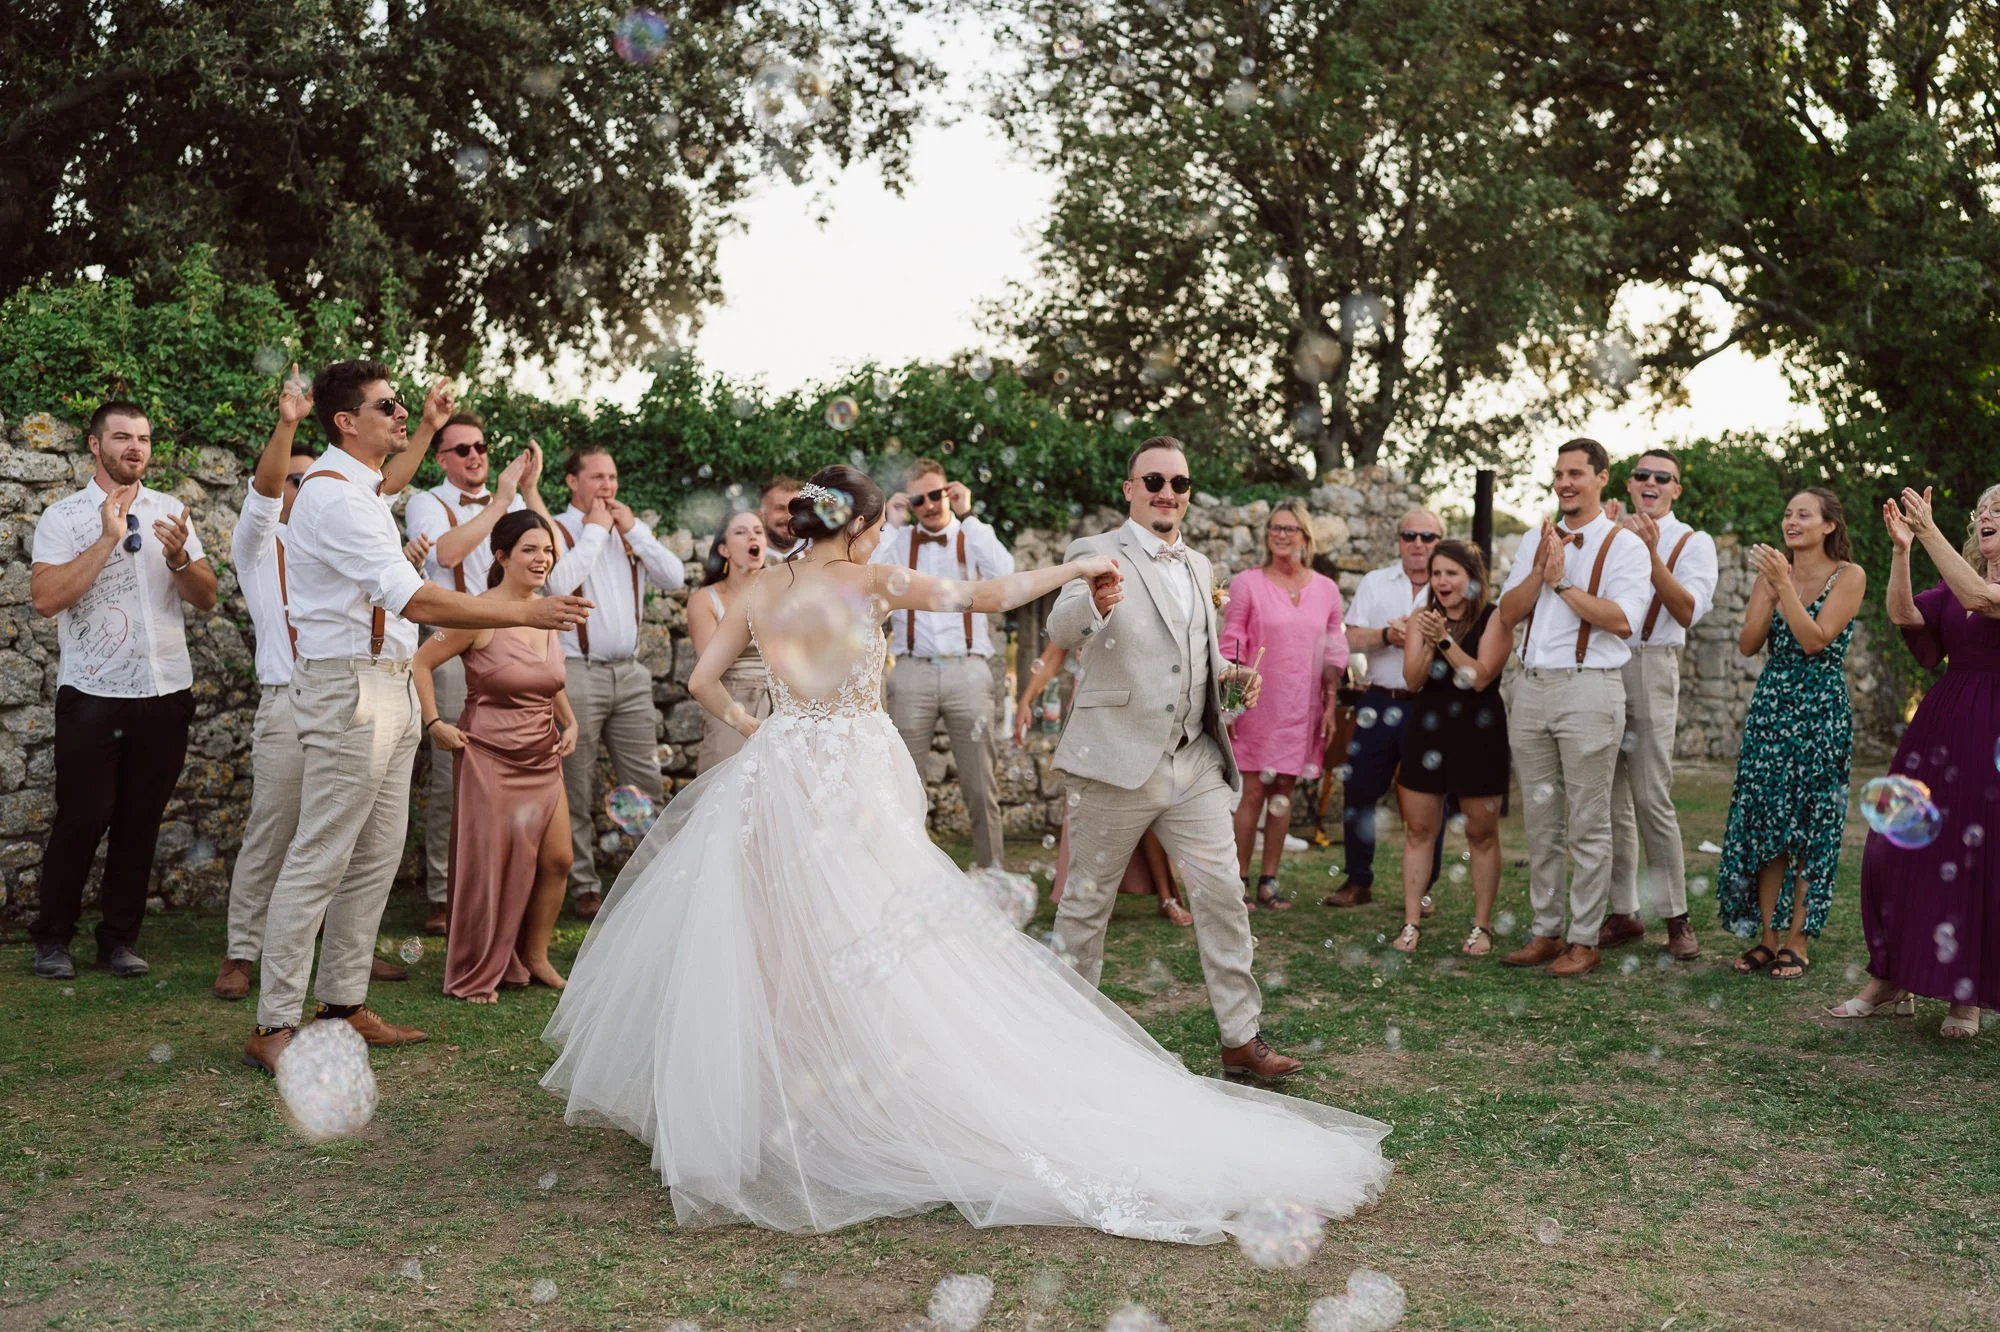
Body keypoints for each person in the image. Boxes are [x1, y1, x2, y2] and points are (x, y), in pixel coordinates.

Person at [541, 464, 1390, 1239]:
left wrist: (759, 727)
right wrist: (1070, 570)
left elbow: (699, 684)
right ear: (863, 523)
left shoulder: (759, 586)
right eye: (877, 522)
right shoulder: (871, 579)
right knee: (880, 933)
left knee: (777, 935)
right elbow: (986, 597)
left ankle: (780, 1098)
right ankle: (872, 1089)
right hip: (854, 773)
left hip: (778, 771)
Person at [242, 360, 592, 1075]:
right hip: (348, 691)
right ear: (346, 422)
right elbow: (417, 601)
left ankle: (342, 1007)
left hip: (390, 686)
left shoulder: (364, 487)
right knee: (319, 858)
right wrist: (520, 610)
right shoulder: (335, 498)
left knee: (373, 860)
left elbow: (393, 480)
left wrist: (431, 426)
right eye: (388, 407)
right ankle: (274, 1022)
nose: (402, 417)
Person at [1047, 437, 1301, 1084]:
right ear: (1129, 488)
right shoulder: (1095, 552)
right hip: (1116, 762)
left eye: (1179, 483)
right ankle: (1059, 1046)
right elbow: (1061, 625)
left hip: (1192, 761)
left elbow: (1197, 651)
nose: (1168, 492)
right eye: (1154, 479)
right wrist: (1095, 603)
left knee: (1224, 896)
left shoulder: (1200, 565)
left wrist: (1232, 673)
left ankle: (1241, 1040)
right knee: (1085, 908)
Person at [214, 367, 426, 999]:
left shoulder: (351, 511)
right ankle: (243, 955)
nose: (307, 486)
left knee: (367, 843)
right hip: (293, 696)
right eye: (295, 480)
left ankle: (343, 984)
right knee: (278, 831)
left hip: (369, 689)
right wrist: (287, 424)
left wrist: (431, 426)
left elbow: (382, 484)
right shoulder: (259, 544)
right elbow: (264, 496)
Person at [27, 401, 219, 980]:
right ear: (95, 445)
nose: (135, 447)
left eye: (143, 438)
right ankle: (52, 938)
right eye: (122, 437)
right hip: (93, 693)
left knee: (140, 821)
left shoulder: (172, 512)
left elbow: (206, 597)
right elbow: (45, 598)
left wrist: (182, 556)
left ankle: (117, 941)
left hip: (164, 692)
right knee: (83, 818)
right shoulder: (64, 518)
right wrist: (108, 539)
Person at [1832, 486, 2000, 1037]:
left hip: (1992, 731)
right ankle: (1890, 976)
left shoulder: (1974, 587)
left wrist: (1928, 530)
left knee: (1975, 854)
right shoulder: (1952, 582)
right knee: (1892, 847)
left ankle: (1965, 995)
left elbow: (1982, 599)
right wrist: (1903, 550)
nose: (1988, 518)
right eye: (1985, 512)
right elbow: (1904, 614)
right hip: (1942, 723)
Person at [1496, 438, 1654, 978]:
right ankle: (1545, 930)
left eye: (1576, 474)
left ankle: (1585, 938)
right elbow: (1507, 613)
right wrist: (1539, 569)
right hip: (1531, 687)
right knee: (1540, 821)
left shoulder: (1624, 546)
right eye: (1559, 473)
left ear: (1601, 478)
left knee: (1588, 821)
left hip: (1589, 689)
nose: (1564, 482)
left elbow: (1622, 619)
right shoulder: (1534, 538)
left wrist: (1561, 581)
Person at [415, 511, 578, 1003]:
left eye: (547, 550)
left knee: (558, 859)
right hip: (489, 754)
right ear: (502, 556)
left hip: (542, 753)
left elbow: (546, 679)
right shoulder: (477, 612)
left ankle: (535, 955)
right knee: (490, 867)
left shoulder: (548, 610)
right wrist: (434, 723)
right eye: (530, 549)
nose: (542, 558)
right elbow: (420, 663)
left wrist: (568, 719)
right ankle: (477, 967)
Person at [404, 413, 551, 935]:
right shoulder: (426, 500)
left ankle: (511, 889)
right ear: (442, 458)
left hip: (512, 647)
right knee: (454, 778)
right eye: (461, 449)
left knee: (521, 771)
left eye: (481, 447)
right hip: (454, 647)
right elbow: (447, 552)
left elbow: (551, 549)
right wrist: (499, 500)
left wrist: (527, 493)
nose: (475, 456)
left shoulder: (510, 498)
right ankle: (446, 895)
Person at [1716, 488, 1864, 981]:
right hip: (1772, 705)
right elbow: (1747, 643)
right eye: (1787, 514)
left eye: (1804, 514)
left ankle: (1798, 939)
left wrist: (1782, 583)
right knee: (1766, 824)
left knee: (1810, 824)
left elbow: (1816, 639)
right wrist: (1772, 585)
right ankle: (1767, 937)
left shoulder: (1850, 576)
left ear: (1827, 526)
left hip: (1820, 707)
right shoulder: (1771, 576)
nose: (1791, 521)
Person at [544, 445, 686, 920]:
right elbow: (555, 585)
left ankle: (653, 881)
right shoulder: (558, 529)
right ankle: (583, 885)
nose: (607, 487)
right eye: (598, 477)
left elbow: (674, 575)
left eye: (613, 477)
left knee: (644, 780)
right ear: (572, 482)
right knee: (576, 782)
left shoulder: (631, 533)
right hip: (576, 672)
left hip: (630, 672)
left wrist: (636, 533)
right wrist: (593, 535)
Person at [1601, 449, 1718, 961]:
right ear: (1629, 485)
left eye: (1662, 477)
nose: (1651, 482)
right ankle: (1623, 911)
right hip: (1601, 665)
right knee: (1607, 798)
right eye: (1642, 475)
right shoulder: (1606, 530)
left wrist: (1649, 554)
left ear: (1676, 489)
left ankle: (1676, 916)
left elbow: (1687, 610)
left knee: (1651, 794)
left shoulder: (1693, 541)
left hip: (1650, 663)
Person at [871, 458, 1015, 869]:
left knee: (980, 782)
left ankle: (993, 875)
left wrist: (969, 514)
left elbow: (1004, 573)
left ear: (950, 492)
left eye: (936, 494)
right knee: (900, 781)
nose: (930, 505)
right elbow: (865, 573)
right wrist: (891, 522)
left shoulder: (972, 535)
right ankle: (900, 874)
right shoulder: (898, 541)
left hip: (968, 670)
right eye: (919, 499)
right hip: (911, 671)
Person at [1387, 541, 1512, 955]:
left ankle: (1481, 926)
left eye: (1451, 573)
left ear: (1472, 578)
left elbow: (1478, 677)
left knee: (1481, 834)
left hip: (1479, 735)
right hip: (1429, 731)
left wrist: (1443, 641)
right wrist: (1426, 640)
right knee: (1419, 831)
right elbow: (1411, 679)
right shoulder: (1422, 619)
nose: (1442, 581)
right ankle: (1410, 923)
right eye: (1436, 573)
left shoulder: (1495, 618)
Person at [1221, 499, 1347, 909]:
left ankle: (1268, 882)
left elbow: (1333, 651)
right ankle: (1238, 880)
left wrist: (1329, 704)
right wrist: (1231, 702)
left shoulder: (1326, 590)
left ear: (1305, 537)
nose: (1280, 534)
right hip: (1256, 703)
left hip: (1302, 704)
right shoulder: (1246, 584)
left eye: (1289, 528)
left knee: (1283, 793)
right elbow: (1232, 643)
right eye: (1275, 527)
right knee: (1253, 791)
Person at [1014, 642, 1193, 926]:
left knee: (1146, 798)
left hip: (1138, 705)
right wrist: (1026, 699)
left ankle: (1166, 896)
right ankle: (1086, 898)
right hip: (1090, 709)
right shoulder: (1081, 598)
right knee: (1087, 807)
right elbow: (1054, 651)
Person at [1325, 508, 1447, 908]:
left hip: (1430, 704)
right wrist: (1386, 635)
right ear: (1398, 541)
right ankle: (1358, 881)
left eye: (1427, 537)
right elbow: (1351, 638)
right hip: (1379, 700)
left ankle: (1423, 889)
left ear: (1439, 542)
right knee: (1359, 788)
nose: (1417, 544)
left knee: (1430, 797)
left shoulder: (1450, 585)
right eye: (1409, 535)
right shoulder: (1376, 582)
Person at [688, 510, 771, 772]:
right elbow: (711, 664)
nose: (752, 536)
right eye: (741, 531)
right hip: (729, 707)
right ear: (724, 550)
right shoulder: (705, 599)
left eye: (758, 531)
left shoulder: (784, 593)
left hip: (781, 707)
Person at [759, 475, 803, 559]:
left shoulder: (819, 552)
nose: (789, 517)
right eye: (780, 508)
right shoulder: (745, 558)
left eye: (796, 509)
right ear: (762, 515)